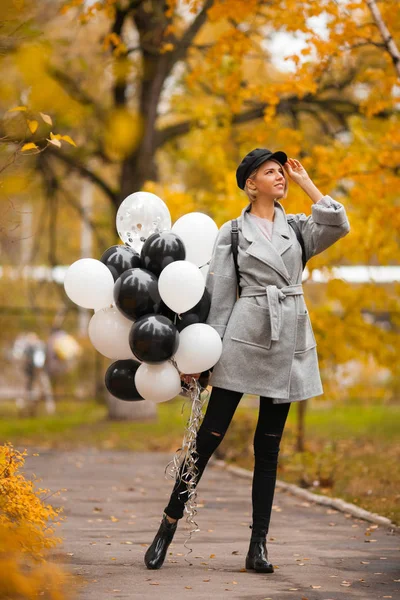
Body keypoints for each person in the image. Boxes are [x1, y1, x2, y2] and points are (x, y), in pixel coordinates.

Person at [144, 148, 350, 572]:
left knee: (268, 447)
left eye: (282, 172)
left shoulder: (297, 228)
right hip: (242, 337)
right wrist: (203, 356)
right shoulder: (232, 233)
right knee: (209, 438)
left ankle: (258, 547)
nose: (280, 177)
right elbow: (220, 300)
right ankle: (167, 526)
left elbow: (338, 223)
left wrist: (308, 183)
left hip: (288, 339)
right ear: (250, 184)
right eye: (270, 172)